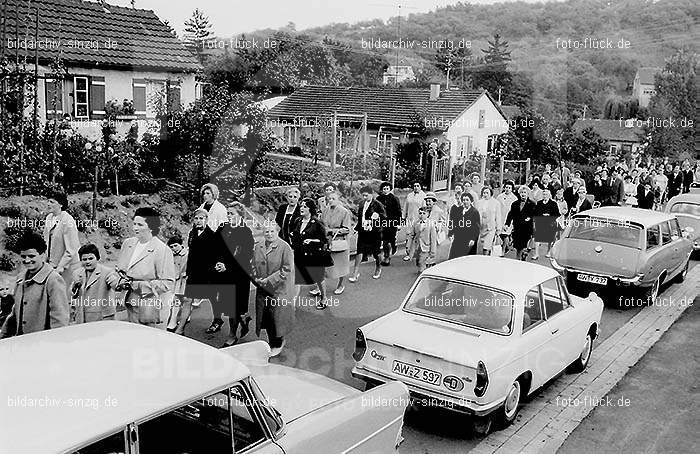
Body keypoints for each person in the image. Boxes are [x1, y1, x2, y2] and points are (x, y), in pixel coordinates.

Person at [113, 207, 175, 329]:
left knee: (151, 342)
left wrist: (139, 285)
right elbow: (119, 270)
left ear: (151, 227)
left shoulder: (161, 250)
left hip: (151, 308)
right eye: (134, 223)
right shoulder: (128, 244)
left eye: (140, 224)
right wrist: (119, 281)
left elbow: (167, 283)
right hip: (131, 303)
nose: (135, 228)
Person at [1, 232, 69, 338]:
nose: (27, 260)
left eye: (31, 256)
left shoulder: (53, 280)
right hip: (22, 344)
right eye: (23, 256)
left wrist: (56, 346)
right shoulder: (21, 279)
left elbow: (59, 319)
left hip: (43, 344)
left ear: (42, 255)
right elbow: (15, 315)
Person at [214, 202, 256, 346]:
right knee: (229, 305)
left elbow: (246, 255)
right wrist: (218, 262)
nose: (229, 216)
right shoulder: (222, 228)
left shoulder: (245, 232)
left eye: (232, 213)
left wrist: (228, 265)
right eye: (228, 213)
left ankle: (237, 328)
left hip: (240, 274)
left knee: (237, 306)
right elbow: (216, 248)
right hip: (224, 273)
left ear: (240, 215)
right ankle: (238, 327)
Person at [253, 223, 295, 357]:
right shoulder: (258, 246)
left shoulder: (284, 247)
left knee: (277, 317)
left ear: (277, 231)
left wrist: (269, 280)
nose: (269, 234)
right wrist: (256, 278)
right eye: (266, 232)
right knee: (265, 316)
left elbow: (287, 269)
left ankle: (278, 342)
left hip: (279, 289)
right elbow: (252, 264)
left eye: (272, 231)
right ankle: (272, 341)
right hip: (263, 288)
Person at [182, 209, 219, 334]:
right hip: (193, 273)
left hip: (208, 273)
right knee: (187, 299)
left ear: (206, 220)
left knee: (213, 299)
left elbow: (215, 256)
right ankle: (180, 327)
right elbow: (190, 254)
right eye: (196, 218)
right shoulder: (191, 234)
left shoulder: (212, 235)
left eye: (201, 218)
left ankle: (217, 320)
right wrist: (187, 272)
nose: (198, 221)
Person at [290, 198, 329, 310]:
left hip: (314, 255)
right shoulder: (298, 221)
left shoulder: (317, 223)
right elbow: (295, 235)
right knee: (296, 278)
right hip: (299, 254)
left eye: (305, 206)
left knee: (318, 277)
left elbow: (323, 241)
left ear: (310, 209)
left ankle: (324, 298)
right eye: (301, 206)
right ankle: (292, 303)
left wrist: (312, 240)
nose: (302, 208)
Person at [43, 190, 80, 300]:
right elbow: (46, 242)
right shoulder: (49, 218)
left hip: (66, 267)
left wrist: (60, 267)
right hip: (51, 266)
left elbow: (71, 249)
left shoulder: (68, 220)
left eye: (52, 202)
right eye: (48, 201)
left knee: (64, 298)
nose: (48, 204)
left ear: (61, 204)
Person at [70, 244, 117, 324]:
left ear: (97, 258)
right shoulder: (77, 273)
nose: (88, 262)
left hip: (102, 317)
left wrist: (118, 283)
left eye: (91, 258)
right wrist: (75, 287)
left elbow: (114, 283)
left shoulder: (107, 272)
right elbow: (72, 293)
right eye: (84, 259)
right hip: (82, 317)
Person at [321, 191, 352, 295]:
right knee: (322, 265)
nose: (330, 201)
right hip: (327, 241)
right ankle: (320, 286)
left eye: (333, 198)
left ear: (338, 200)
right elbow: (321, 224)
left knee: (341, 265)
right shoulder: (325, 211)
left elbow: (347, 229)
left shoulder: (344, 212)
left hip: (339, 241)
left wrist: (332, 231)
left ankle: (341, 284)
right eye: (329, 199)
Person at [352, 186, 385, 281]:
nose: (365, 197)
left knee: (376, 252)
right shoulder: (362, 204)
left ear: (372, 194)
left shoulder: (377, 204)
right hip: (363, 231)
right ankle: (355, 273)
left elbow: (384, 217)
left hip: (374, 232)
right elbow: (360, 218)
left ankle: (378, 267)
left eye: (366, 195)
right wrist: (357, 228)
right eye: (363, 195)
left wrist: (377, 217)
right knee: (359, 251)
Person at [167, 235, 191, 334]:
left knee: (187, 300)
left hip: (186, 280)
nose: (174, 248)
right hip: (176, 280)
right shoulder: (171, 255)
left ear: (181, 245)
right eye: (171, 246)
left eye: (175, 245)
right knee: (176, 299)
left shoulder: (188, 254)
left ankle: (185, 317)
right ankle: (173, 321)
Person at [506, 186, 536, 261]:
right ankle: (519, 257)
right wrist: (507, 224)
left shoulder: (532, 204)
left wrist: (530, 218)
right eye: (522, 192)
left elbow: (535, 214)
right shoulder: (515, 204)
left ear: (528, 194)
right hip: (517, 227)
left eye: (525, 192)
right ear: (519, 194)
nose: (523, 194)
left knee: (524, 243)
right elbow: (510, 214)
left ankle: (523, 255)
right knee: (518, 245)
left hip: (527, 228)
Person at [376, 181, 402, 265]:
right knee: (384, 240)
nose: (385, 190)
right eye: (384, 189)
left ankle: (393, 247)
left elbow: (398, 212)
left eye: (387, 189)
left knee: (391, 238)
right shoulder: (379, 199)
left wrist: (399, 223)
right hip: (382, 222)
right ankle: (386, 256)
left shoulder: (394, 199)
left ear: (390, 189)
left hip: (392, 222)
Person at [448, 193, 480, 259]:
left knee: (466, 258)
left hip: (468, 238)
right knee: (454, 257)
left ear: (471, 201)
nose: (465, 202)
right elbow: (454, 222)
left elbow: (476, 228)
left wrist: (473, 239)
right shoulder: (459, 210)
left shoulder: (474, 212)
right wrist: (451, 233)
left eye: (467, 200)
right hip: (458, 237)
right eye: (464, 200)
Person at [406, 207, 437, 272]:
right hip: (417, 246)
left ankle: (422, 272)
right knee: (418, 262)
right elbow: (412, 235)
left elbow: (433, 239)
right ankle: (424, 269)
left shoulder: (431, 224)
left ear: (428, 214)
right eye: (420, 213)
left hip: (426, 247)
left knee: (421, 262)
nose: (422, 215)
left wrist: (433, 252)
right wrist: (408, 246)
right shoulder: (416, 223)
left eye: (424, 213)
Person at [532, 188, 560, 260]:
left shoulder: (553, 203)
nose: (545, 196)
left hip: (550, 222)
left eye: (546, 194)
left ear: (550, 195)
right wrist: (541, 216)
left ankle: (548, 252)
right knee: (537, 238)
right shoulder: (539, 203)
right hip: (540, 222)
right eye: (544, 194)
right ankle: (536, 253)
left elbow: (557, 214)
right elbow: (535, 213)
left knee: (550, 239)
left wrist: (549, 216)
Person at [475, 186, 503, 255]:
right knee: (481, 246)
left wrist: (499, 228)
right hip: (481, 228)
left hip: (490, 228)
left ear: (491, 193)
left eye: (487, 193)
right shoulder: (479, 203)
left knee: (486, 246)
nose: (485, 194)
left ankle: (486, 258)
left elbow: (498, 216)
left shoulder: (496, 203)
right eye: (484, 193)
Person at [402, 182, 426, 250]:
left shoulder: (423, 196)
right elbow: (405, 207)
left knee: (418, 235)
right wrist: (403, 217)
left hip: (418, 219)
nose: (416, 187)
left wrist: (423, 219)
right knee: (409, 234)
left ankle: (417, 249)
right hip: (410, 218)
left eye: (418, 186)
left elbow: (424, 209)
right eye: (414, 186)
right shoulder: (409, 195)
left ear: (420, 187)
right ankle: (408, 249)